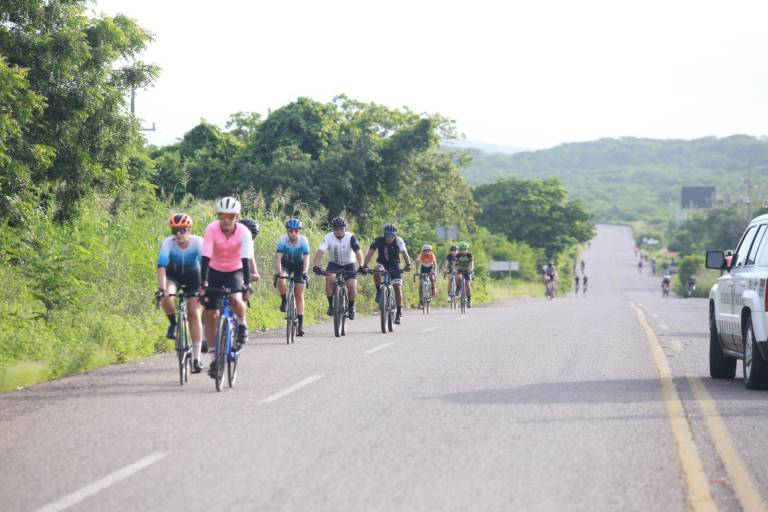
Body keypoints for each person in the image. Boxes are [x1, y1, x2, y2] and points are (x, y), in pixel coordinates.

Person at [200, 197, 252, 378]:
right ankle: (214, 359)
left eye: (230, 216)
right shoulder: (211, 229)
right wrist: (203, 282)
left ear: (237, 217)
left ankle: (242, 325)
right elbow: (205, 257)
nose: (226, 220)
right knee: (211, 315)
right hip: (214, 270)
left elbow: (245, 261)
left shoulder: (244, 232)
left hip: (234, 271)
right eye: (222, 216)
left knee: (236, 298)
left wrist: (247, 284)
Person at [156, 213, 205, 373]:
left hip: (194, 277)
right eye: (174, 230)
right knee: (166, 295)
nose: (178, 234)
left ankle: (197, 358)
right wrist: (161, 289)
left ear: (189, 230)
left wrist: (205, 285)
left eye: (182, 230)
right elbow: (162, 267)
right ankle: (173, 324)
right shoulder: (168, 243)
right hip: (174, 276)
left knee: (194, 313)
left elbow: (206, 265)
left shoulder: (198, 242)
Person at [312, 216, 364, 320]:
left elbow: (359, 252)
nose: (339, 231)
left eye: (341, 228)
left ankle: (351, 306)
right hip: (334, 264)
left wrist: (361, 265)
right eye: (336, 228)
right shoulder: (328, 237)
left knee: (351, 285)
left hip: (349, 264)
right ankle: (331, 305)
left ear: (345, 228)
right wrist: (316, 265)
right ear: (333, 229)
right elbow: (320, 251)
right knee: (330, 278)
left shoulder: (350, 237)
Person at [362, 223, 412, 324]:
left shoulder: (399, 240)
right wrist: (364, 266)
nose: (389, 238)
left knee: (397, 287)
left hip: (394, 266)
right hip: (382, 264)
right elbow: (370, 253)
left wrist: (408, 265)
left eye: (392, 235)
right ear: (384, 235)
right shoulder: (378, 240)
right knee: (376, 270)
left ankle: (399, 311)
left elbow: (405, 253)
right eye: (387, 235)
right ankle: (379, 291)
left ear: (395, 235)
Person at [275, 218, 310, 336]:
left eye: (296, 231)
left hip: (299, 266)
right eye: (291, 231)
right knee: (281, 280)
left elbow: (306, 259)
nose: (293, 233)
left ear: (299, 231)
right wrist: (279, 271)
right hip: (286, 265)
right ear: (287, 231)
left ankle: (300, 326)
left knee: (299, 295)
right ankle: (284, 300)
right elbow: (278, 258)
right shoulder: (282, 240)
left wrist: (305, 271)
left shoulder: (303, 240)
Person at [415, 244, 437, 308]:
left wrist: (434, 272)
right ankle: (421, 300)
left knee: (431, 277)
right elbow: (417, 262)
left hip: (430, 267)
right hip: (423, 268)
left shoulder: (432, 255)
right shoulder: (421, 255)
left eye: (428, 251)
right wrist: (417, 271)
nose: (427, 252)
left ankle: (433, 288)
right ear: (423, 251)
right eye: (425, 251)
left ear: (430, 251)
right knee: (420, 285)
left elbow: (435, 264)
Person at [454, 242, 475, 307]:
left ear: (467, 249)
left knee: (467, 284)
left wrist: (471, 269)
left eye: (465, 249)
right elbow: (454, 263)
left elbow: (471, 263)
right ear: (460, 250)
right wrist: (454, 269)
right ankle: (458, 288)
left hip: (467, 270)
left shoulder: (469, 255)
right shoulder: (458, 255)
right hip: (460, 269)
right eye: (462, 249)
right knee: (458, 277)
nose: (463, 251)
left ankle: (469, 300)